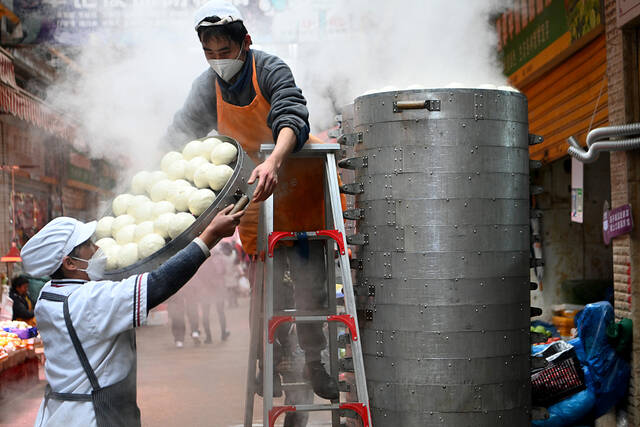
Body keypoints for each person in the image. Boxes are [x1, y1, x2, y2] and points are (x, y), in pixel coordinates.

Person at [163, 0, 338, 400]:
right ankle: (270, 363)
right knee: (265, 289)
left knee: (312, 286)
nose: (218, 61)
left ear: (246, 43)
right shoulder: (207, 86)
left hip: (299, 186)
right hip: (256, 197)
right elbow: (180, 133)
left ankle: (315, 363)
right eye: (210, 53)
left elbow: (292, 115)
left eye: (224, 52)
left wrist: (275, 159)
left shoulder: (271, 68)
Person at [20, 205, 243, 427]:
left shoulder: (48, 294)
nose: (97, 248)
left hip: (60, 413)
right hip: (93, 416)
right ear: (69, 263)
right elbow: (158, 284)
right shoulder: (88, 300)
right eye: (88, 245)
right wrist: (209, 236)